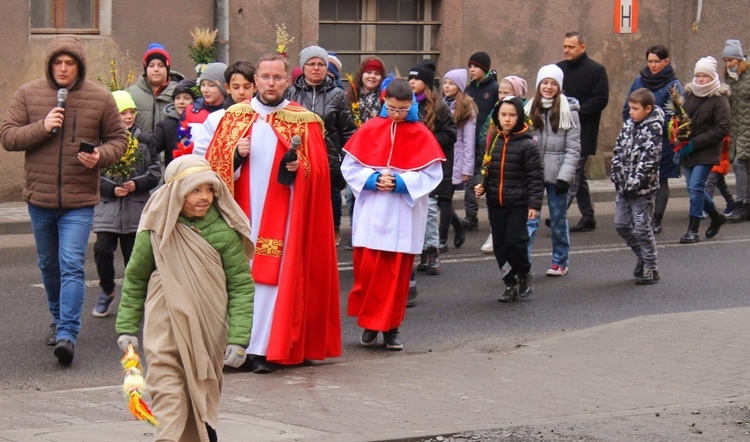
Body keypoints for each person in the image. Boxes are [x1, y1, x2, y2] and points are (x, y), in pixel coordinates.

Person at [204, 53, 341, 372]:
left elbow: (322, 172)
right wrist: (235, 157)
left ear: (286, 81)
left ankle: (268, 348)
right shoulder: (235, 117)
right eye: (264, 77)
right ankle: (239, 346)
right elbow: (211, 171)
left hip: (286, 217)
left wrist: (300, 168)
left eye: (277, 77)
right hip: (242, 215)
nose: (270, 83)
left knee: (274, 281)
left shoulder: (303, 121)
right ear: (255, 82)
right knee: (241, 280)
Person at [0, 35, 127, 364]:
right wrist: (42, 126)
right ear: (50, 65)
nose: (63, 68)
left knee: (72, 264)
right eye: (58, 62)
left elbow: (119, 141)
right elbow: (8, 136)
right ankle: (57, 320)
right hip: (39, 198)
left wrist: (99, 155)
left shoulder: (100, 98)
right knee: (49, 265)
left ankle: (68, 334)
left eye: (70, 63)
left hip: (79, 200)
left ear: (80, 66)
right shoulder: (28, 93)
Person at [115, 155, 255, 442]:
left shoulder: (225, 233)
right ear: (177, 191)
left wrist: (239, 339)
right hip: (164, 325)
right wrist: (127, 326)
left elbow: (241, 286)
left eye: (209, 190)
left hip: (208, 331)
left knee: (200, 396)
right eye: (195, 190)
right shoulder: (156, 228)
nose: (204, 198)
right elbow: (136, 278)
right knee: (167, 392)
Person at [341, 78, 445, 350]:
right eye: (392, 108)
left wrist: (401, 183)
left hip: (402, 214)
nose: (396, 114)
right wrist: (373, 178)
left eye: (402, 109)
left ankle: (391, 329)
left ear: (411, 105)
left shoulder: (421, 133)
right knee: (368, 272)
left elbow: (432, 174)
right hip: (373, 211)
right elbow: (350, 167)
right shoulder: (371, 127)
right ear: (384, 102)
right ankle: (368, 324)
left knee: (396, 277)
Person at [92, 90, 161, 317]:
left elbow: (154, 172)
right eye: (123, 113)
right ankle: (107, 290)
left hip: (135, 208)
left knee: (134, 258)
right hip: (109, 207)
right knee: (102, 249)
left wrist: (136, 184)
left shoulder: (144, 140)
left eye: (131, 112)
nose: (129, 117)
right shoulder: (102, 141)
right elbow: (92, 173)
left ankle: (133, 299)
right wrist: (111, 188)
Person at [475, 96, 543, 302]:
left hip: (518, 202)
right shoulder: (493, 140)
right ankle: (509, 281)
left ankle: (524, 272)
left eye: (512, 115)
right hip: (496, 202)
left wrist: (534, 204)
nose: (507, 119)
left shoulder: (527, 144)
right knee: (500, 247)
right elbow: (486, 168)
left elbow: (535, 176)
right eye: (503, 115)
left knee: (515, 243)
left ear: (520, 116)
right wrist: (482, 185)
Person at [288, 45, 357, 246]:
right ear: (303, 67)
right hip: (299, 157)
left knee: (330, 197)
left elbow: (347, 130)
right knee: (301, 197)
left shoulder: (337, 94)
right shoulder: (291, 93)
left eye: (321, 64)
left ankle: (332, 229)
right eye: (311, 64)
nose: (316, 68)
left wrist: (346, 158)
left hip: (329, 156)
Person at [525, 64, 581, 277]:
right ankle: (525, 262)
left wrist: (565, 177)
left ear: (559, 87)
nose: (548, 87)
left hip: (558, 176)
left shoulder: (570, 113)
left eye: (553, 83)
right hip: (534, 175)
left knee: (558, 220)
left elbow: (573, 148)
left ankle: (560, 261)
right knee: (529, 221)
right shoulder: (529, 109)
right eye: (545, 83)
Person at [622, 45, 683, 234]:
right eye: (650, 61)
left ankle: (657, 219)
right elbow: (627, 108)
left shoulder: (673, 85)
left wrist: (651, 124)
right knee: (639, 176)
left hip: (662, 141)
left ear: (666, 62)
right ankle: (639, 216)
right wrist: (633, 124)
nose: (653, 65)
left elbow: (676, 116)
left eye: (657, 61)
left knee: (660, 179)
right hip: (637, 138)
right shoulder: (639, 81)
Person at [557, 32, 609, 233]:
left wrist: (577, 112)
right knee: (579, 177)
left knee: (571, 174)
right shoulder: (559, 69)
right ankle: (588, 217)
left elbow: (601, 99)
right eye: (565, 46)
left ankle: (558, 215)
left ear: (582, 47)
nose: (566, 50)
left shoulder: (596, 70)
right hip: (561, 130)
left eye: (570, 47)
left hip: (583, 131)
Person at [611, 88, 664, 285]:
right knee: (621, 224)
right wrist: (617, 174)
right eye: (630, 108)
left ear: (648, 109)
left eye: (635, 108)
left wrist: (635, 181)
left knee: (642, 227)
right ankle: (641, 255)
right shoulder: (628, 126)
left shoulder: (653, 128)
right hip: (624, 188)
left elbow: (650, 160)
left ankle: (651, 266)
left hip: (642, 190)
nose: (631, 112)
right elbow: (618, 151)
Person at [409, 59, 458, 275]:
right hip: (411, 165)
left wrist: (425, 138)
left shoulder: (439, 107)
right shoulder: (407, 104)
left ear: (426, 83)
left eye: (416, 78)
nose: (412, 82)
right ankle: (421, 249)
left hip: (432, 164)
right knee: (415, 209)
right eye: (410, 78)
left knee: (429, 209)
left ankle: (432, 250)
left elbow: (450, 135)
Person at [677, 56, 731, 244]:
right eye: (698, 75)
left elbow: (722, 127)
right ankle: (716, 216)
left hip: (707, 150)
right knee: (694, 190)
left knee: (696, 187)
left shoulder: (719, 98)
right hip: (689, 150)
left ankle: (693, 230)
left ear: (712, 77)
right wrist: (677, 134)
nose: (700, 79)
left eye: (704, 76)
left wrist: (695, 143)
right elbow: (682, 119)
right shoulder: (690, 95)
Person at [480, 75, 529, 254]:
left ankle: (517, 245)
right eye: (500, 92)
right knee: (495, 201)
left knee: (513, 212)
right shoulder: (496, 113)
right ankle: (496, 234)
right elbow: (486, 133)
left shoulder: (523, 116)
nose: (501, 96)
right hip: (494, 162)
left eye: (506, 93)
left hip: (514, 170)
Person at [344, 56, 389, 249]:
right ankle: (357, 233)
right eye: (369, 72)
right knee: (351, 194)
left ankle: (374, 237)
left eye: (376, 73)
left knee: (375, 196)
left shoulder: (384, 95)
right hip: (355, 152)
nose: (372, 76)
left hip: (378, 152)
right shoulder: (350, 95)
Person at [441, 68, 476, 252]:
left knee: (445, 199)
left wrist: (467, 168)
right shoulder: (440, 103)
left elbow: (469, 141)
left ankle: (441, 238)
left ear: (460, 87)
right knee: (440, 199)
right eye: (445, 82)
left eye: (451, 83)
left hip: (457, 159)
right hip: (442, 158)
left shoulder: (466, 107)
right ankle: (458, 225)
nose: (447, 86)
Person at [464, 51, 499, 231]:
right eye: (470, 66)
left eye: (476, 67)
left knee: (487, 177)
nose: (472, 70)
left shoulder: (493, 89)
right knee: (470, 177)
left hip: (487, 141)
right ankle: (471, 215)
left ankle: (496, 214)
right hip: (470, 141)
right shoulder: (468, 90)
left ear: (484, 69)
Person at [192, 61, 257, 158]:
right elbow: (201, 155)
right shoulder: (215, 119)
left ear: (255, 87)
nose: (241, 92)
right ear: (227, 88)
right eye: (236, 87)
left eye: (247, 87)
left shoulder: (264, 117)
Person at [128, 42, 184, 134]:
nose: (156, 69)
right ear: (145, 68)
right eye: (151, 65)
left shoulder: (179, 94)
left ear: (167, 68)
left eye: (161, 65)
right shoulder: (130, 94)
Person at [723, 39, 750, 223]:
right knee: (744, 165)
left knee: (740, 164)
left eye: (731, 60)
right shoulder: (729, 79)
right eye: (725, 61)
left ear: (739, 59)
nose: (728, 64)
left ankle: (741, 204)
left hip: (747, 129)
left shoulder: (747, 76)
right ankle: (746, 205)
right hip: (737, 129)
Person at [151, 79, 197, 167]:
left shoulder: (200, 123)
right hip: (173, 174)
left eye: (186, 98)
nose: (181, 102)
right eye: (177, 98)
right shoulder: (166, 125)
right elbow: (153, 146)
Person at [183, 62, 229, 131]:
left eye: (211, 85)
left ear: (224, 87)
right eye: (203, 85)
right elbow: (180, 139)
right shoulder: (191, 111)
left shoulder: (233, 113)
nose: (205, 90)